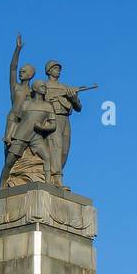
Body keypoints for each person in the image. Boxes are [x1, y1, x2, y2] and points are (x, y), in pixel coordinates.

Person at [40, 60, 83, 190]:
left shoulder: (65, 87)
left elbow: (79, 107)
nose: (58, 70)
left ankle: (56, 175)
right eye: (55, 68)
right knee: (56, 147)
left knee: (64, 149)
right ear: (48, 70)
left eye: (59, 68)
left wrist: (74, 98)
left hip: (65, 119)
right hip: (52, 118)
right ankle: (57, 179)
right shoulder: (43, 85)